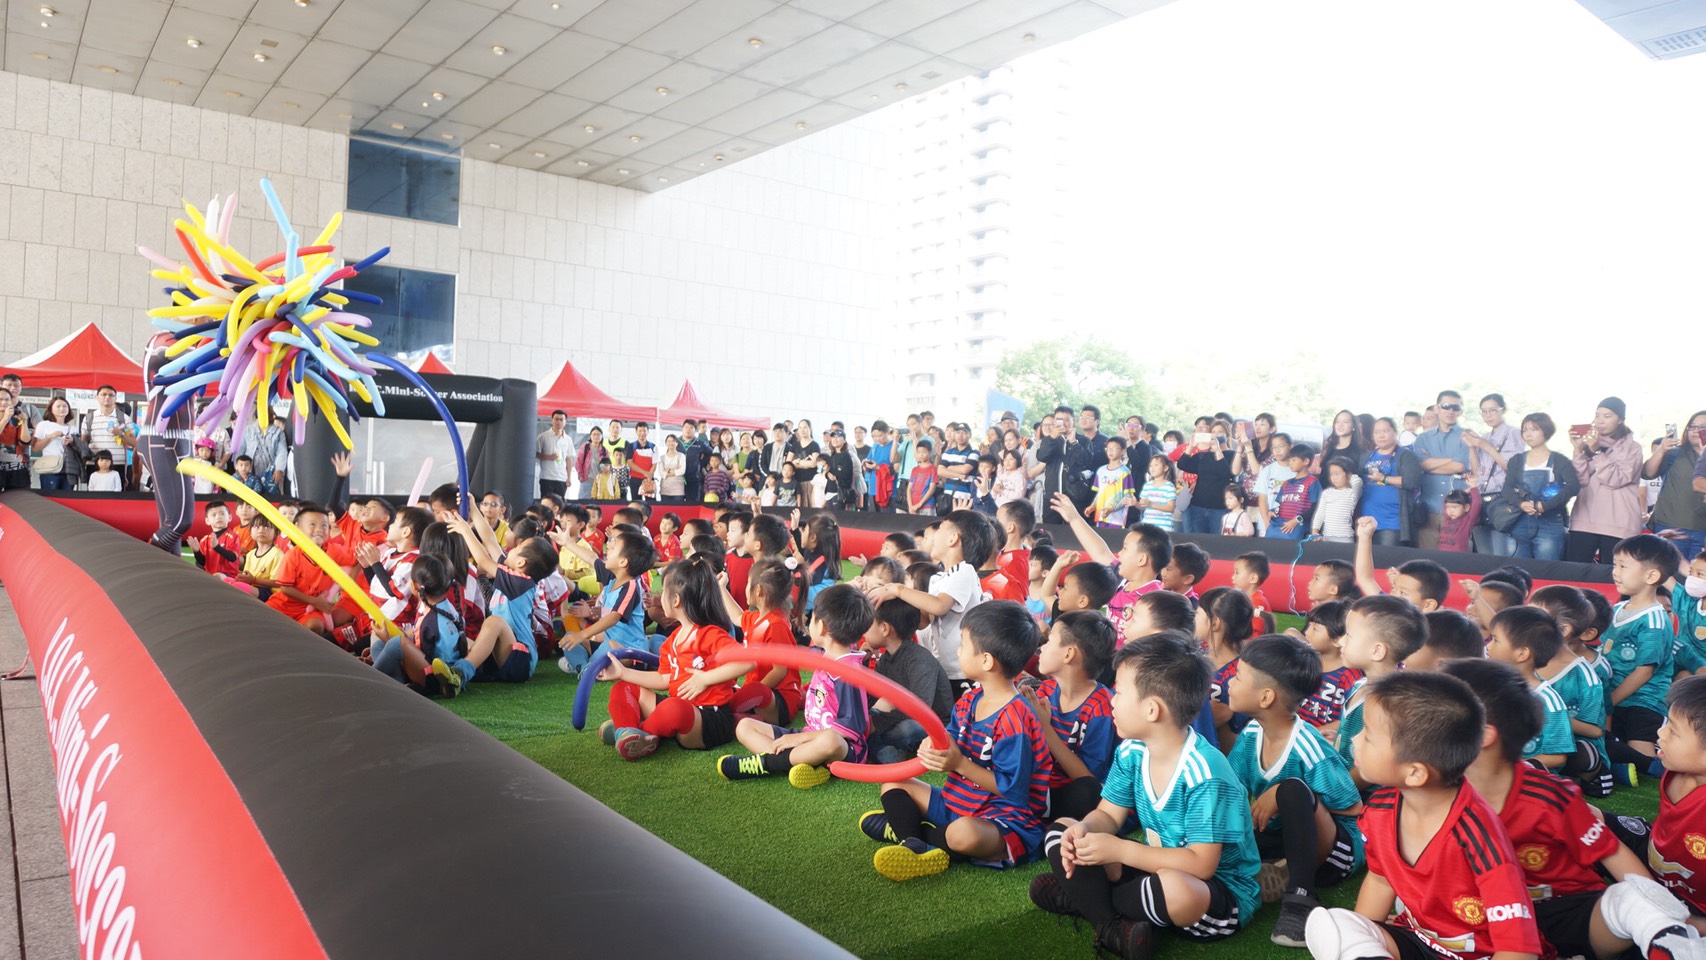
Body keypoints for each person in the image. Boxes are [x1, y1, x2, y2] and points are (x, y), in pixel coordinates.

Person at [1442, 658, 1703, 960]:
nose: (1661, 733)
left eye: (1673, 730)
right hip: (1495, 915)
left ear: (1484, 734)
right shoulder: (1427, 790)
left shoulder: (1547, 798)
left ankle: (1665, 933)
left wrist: (1659, 907)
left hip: (1567, 907)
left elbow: (1612, 852)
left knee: (1625, 904)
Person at [1029, 632, 1262, 959]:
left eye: (1119, 692)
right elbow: (1107, 815)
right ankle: (1111, 925)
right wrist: (1084, 829)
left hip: (1214, 892)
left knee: (1175, 890)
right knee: (1062, 831)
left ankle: (1088, 902)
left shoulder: (1206, 773)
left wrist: (1119, 850)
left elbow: (1201, 865)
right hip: (1156, 866)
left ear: (1152, 709)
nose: (1111, 700)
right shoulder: (1133, 751)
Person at [1301, 671, 1544, 960]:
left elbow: (1518, 950)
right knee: (1337, 924)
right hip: (1420, 941)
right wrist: (1368, 934)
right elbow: (1380, 881)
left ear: (1415, 772)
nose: (1356, 739)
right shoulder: (1380, 808)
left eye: (1369, 735)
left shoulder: (1478, 836)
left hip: (1480, 955)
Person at [859, 601, 1053, 882]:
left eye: (963, 645)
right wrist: (932, 745)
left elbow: (1013, 791)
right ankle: (915, 843)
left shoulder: (1015, 717)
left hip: (1003, 818)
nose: (958, 651)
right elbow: (948, 737)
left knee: (963, 835)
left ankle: (910, 832)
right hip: (958, 802)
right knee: (893, 782)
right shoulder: (970, 699)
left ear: (986, 661)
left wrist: (959, 763)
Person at [1225, 635, 1363, 946]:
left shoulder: (1306, 745)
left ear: (1266, 697)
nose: (1230, 683)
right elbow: (1232, 793)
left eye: (1238, 677)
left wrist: (1279, 794)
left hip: (1336, 854)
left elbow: (1353, 807)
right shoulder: (1250, 734)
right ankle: (1273, 869)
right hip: (1286, 838)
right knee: (1232, 826)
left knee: (1291, 790)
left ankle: (1301, 900)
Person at [598, 555, 753, 760]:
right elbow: (664, 679)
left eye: (663, 592)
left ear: (676, 600)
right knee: (622, 687)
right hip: (679, 708)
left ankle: (638, 730)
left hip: (708, 719)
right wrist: (623, 672)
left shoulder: (709, 634)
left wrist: (705, 679)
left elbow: (747, 661)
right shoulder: (673, 639)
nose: (660, 596)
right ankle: (627, 731)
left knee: (674, 708)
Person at [719, 584, 875, 787]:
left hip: (843, 748)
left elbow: (850, 729)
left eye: (812, 618)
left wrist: (798, 740)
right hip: (809, 736)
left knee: (830, 741)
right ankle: (802, 763)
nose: (810, 622)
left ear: (822, 627)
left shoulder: (848, 673)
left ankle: (767, 764)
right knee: (745, 726)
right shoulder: (829, 658)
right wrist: (800, 736)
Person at [428, 509, 558, 694]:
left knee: (494, 622)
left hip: (522, 659)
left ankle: (460, 673)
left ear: (521, 563)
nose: (511, 549)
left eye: (517, 548)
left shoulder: (520, 582)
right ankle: (445, 672)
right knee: (462, 639)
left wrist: (465, 530)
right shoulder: (514, 576)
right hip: (504, 654)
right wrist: (473, 509)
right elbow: (490, 540)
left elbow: (483, 559)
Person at [870, 510, 990, 693]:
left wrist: (898, 590)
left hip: (964, 673)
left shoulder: (964, 571)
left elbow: (939, 606)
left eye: (940, 528)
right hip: (944, 668)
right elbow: (923, 621)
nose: (933, 536)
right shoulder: (938, 579)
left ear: (953, 539)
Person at [1023, 612, 1117, 823]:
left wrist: (1045, 729)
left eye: (1049, 641)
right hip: (1044, 786)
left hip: (1074, 792)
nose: (1042, 647)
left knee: (1087, 793)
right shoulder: (1046, 690)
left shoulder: (1100, 707)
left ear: (1068, 654)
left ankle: (1037, 817)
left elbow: (1088, 779)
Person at [1601, 533, 1680, 774]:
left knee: (1640, 753)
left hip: (1643, 701)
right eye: (1615, 564)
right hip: (1613, 697)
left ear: (1651, 576)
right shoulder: (1616, 608)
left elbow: (1644, 672)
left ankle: (1655, 761)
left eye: (1623, 566)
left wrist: (1609, 702)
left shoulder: (1654, 620)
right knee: (1606, 741)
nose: (1615, 572)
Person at [1331, 594, 1428, 784]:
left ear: (1377, 651)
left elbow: (1372, 768)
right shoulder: (1359, 684)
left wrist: (1334, 791)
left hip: (1355, 796)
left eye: (1348, 635)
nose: (1340, 641)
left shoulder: (1388, 704)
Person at [864, 581, 954, 766]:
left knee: (907, 729)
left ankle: (877, 745)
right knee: (874, 722)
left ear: (885, 629)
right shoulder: (886, 659)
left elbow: (920, 710)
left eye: (867, 624)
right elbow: (872, 697)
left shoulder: (919, 659)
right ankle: (883, 747)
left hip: (931, 724)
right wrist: (862, 662)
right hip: (898, 717)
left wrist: (874, 724)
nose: (863, 631)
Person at [1481, 605, 1576, 769]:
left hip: (1523, 775)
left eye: (1495, 640)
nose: (1488, 646)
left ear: (1522, 654)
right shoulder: (1488, 685)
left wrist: (1510, 768)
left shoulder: (1548, 701)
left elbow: (1557, 757)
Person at [557, 528, 657, 673]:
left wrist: (582, 634)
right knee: (569, 638)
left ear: (623, 562)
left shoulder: (630, 586)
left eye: (613, 547)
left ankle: (585, 667)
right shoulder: (612, 577)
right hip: (605, 645)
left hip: (631, 652)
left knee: (609, 646)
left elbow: (614, 617)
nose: (607, 547)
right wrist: (567, 543)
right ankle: (585, 668)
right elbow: (591, 558)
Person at [1489, 414, 1580, 561]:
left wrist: (1544, 506)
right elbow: (1507, 489)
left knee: (1547, 569)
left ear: (1546, 431)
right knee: (1518, 568)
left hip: (1550, 523)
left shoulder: (1559, 460)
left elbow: (1573, 487)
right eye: (1525, 430)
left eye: (1534, 429)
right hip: (1519, 520)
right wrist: (1521, 504)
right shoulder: (1516, 460)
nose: (1528, 434)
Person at [1568, 398, 1645, 564]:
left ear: (1620, 419)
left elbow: (1617, 479)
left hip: (1620, 522)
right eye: (1597, 415)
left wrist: (1597, 452)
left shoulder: (1633, 448)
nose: (1600, 421)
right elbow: (1579, 480)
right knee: (1574, 571)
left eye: (1607, 416)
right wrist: (1578, 449)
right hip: (1584, 518)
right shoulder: (1587, 443)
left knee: (1614, 574)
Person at [266, 503, 358, 638]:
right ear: (298, 527)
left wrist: (347, 584)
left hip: (311, 610)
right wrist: (313, 600)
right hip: (283, 605)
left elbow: (357, 560)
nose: (319, 529)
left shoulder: (335, 551)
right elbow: (285, 588)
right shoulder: (293, 555)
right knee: (262, 622)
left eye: (324, 525)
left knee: (316, 626)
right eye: (312, 524)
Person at [1462, 394, 1527, 555]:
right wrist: (1472, 447)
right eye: (1483, 412)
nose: (1488, 415)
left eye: (1492, 410)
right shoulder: (1485, 437)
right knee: (1484, 554)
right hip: (1482, 497)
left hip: (1502, 498)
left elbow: (1512, 469)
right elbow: (1478, 473)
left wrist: (1486, 447)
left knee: (1501, 553)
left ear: (1503, 410)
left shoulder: (1514, 433)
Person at [1411, 389, 1476, 550]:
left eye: (1456, 407)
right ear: (1437, 408)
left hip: (1458, 509)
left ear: (1460, 411)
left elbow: (1460, 466)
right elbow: (1420, 465)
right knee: (1427, 558)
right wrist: (1450, 460)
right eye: (1446, 406)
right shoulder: (1422, 438)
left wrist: (1430, 463)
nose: (1451, 411)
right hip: (1429, 507)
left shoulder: (1467, 436)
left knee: (1455, 559)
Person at [1647, 412, 1706, 561]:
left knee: (1699, 573)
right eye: (1692, 427)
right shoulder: (1675, 453)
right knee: (1669, 570)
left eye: (1703, 427)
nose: (1696, 431)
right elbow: (1647, 473)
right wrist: (1661, 449)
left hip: (1703, 530)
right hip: (1671, 526)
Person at [1296, 601, 1360, 730]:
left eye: (1315, 629)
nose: (1307, 632)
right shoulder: (1305, 662)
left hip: (1323, 738)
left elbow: (1350, 718)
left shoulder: (1349, 676)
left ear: (1337, 640)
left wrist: (1315, 734)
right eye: (1309, 626)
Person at [1361, 419, 1423, 547]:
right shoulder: (1366, 456)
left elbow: (1412, 481)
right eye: (1377, 432)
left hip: (1392, 522)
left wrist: (1384, 478)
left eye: (1385, 431)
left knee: (1386, 558)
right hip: (1367, 519)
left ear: (1395, 432)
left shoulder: (1406, 455)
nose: (1381, 435)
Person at [1038, 406, 1095, 524]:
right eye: (1059, 420)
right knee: (1051, 529)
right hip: (1052, 495)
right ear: (1054, 422)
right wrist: (1052, 438)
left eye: (1067, 420)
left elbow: (1085, 461)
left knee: (1074, 529)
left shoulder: (1083, 441)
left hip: (1074, 495)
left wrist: (1073, 442)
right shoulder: (1049, 440)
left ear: (1073, 421)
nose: (1063, 423)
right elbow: (1042, 456)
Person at [1177, 422, 1236, 534]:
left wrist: (1217, 450)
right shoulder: (1203, 455)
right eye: (1213, 432)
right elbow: (1182, 464)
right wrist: (1191, 446)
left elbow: (1226, 473)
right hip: (1198, 505)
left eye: (1220, 432)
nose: (1216, 435)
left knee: (1217, 540)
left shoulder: (1232, 454)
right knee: (1198, 539)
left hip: (1219, 507)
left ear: (1227, 435)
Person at [1268, 444, 1320, 540]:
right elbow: (1281, 506)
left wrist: (1297, 520)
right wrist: (1272, 511)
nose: (1290, 463)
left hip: (1299, 525)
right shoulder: (1286, 483)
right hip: (1281, 524)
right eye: (1289, 460)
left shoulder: (1312, 482)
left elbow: (1316, 507)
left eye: (1294, 460)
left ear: (1306, 461)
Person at [28, 396, 78, 491]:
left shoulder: (73, 428)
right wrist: (50, 436)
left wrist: (72, 441)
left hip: (69, 469)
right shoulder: (44, 425)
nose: (62, 408)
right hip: (50, 468)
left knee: (67, 497)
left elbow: (78, 449)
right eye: (58, 406)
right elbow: (35, 448)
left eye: (65, 406)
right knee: (50, 497)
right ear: (51, 409)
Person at [235, 410, 287, 495]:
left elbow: (282, 452)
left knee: (271, 495)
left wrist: (279, 469)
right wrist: (238, 469)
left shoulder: (278, 432)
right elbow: (240, 451)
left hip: (271, 472)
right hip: (250, 470)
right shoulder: (247, 430)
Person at [1312, 458, 1364, 543]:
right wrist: (1315, 531)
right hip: (1327, 536)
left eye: (1337, 474)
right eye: (1331, 474)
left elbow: (1358, 481)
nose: (1334, 478)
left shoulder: (1352, 493)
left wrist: (1349, 475)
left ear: (1348, 474)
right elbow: (1320, 513)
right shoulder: (1327, 493)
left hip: (1345, 537)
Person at [1090, 436, 1136, 528]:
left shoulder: (1124, 472)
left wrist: (1112, 509)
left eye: (1114, 448)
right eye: (1108, 448)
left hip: (1116, 519)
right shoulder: (1101, 470)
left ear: (1123, 451)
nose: (1110, 451)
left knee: (1114, 537)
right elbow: (1100, 492)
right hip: (1101, 515)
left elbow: (1128, 496)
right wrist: (1093, 506)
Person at [536, 409, 574, 499]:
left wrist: (569, 477)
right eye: (556, 419)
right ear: (552, 420)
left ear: (565, 422)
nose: (559, 422)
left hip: (562, 478)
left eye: (561, 419)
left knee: (560, 504)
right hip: (546, 477)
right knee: (546, 503)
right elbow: (535, 454)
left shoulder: (568, 439)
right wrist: (548, 457)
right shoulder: (543, 436)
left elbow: (569, 459)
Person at [1137, 455, 1180, 532]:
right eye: (1151, 466)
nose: (1152, 468)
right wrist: (1134, 503)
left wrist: (1151, 504)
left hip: (1164, 527)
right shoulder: (1147, 485)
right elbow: (1142, 506)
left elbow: (1170, 508)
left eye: (1156, 465)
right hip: (1147, 525)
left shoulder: (1169, 486)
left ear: (1165, 468)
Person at [625, 421, 657, 501]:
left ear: (648, 431)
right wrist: (644, 472)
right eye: (640, 431)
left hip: (649, 479)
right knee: (636, 502)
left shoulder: (653, 446)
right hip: (635, 480)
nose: (642, 433)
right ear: (636, 431)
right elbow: (630, 463)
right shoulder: (631, 446)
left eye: (644, 431)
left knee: (651, 503)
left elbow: (655, 463)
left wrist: (649, 475)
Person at [574, 425, 607, 499]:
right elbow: (578, 463)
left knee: (599, 503)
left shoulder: (604, 450)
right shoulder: (585, 448)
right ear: (590, 436)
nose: (596, 436)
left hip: (600, 482)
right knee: (583, 501)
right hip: (587, 481)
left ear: (602, 436)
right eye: (594, 434)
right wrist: (581, 475)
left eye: (598, 434)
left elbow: (607, 466)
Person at [906, 439, 938, 515]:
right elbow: (909, 488)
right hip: (913, 506)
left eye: (924, 452)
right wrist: (910, 505)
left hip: (927, 506)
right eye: (919, 452)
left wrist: (920, 504)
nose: (921, 454)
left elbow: (931, 489)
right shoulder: (915, 470)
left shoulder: (933, 469)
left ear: (930, 452)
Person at [657, 433, 686, 501]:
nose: (671, 443)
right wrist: (675, 471)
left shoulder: (681, 456)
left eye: (673, 441)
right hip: (665, 488)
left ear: (677, 443)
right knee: (665, 507)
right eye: (669, 441)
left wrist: (668, 471)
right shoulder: (662, 457)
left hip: (678, 488)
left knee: (678, 507)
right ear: (666, 443)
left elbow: (682, 471)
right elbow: (661, 473)